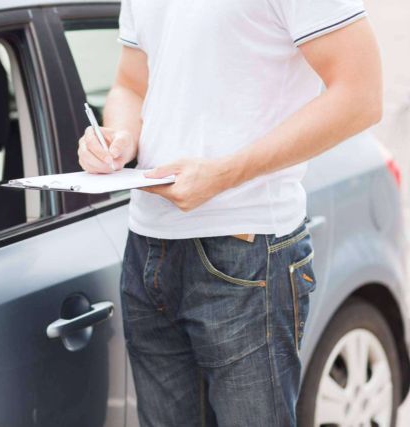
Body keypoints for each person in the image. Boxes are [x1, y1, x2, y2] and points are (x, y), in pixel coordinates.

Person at [77, 0, 382, 425]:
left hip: (249, 249)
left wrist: (223, 174)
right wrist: (120, 139)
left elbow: (361, 95)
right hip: (147, 246)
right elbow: (130, 85)